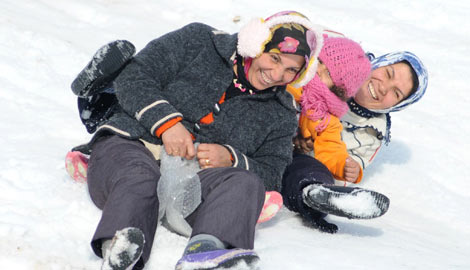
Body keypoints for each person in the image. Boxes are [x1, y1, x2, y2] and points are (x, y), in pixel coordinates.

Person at [70, 11, 324, 270]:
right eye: (274, 58)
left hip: (192, 185)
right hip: (134, 143)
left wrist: (231, 158)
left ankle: (207, 254)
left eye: (292, 70)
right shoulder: (199, 41)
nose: (278, 73)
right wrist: (167, 123)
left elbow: (272, 172)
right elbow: (134, 76)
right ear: (255, 43)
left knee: (246, 183)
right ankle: (121, 252)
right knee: (139, 177)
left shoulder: (281, 111)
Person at [281, 51, 428, 233]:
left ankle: (316, 194)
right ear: (379, 63)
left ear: (397, 106)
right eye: (388, 73)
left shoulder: (372, 132)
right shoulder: (339, 66)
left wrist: (349, 168)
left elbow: (352, 162)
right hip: (273, 122)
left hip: (296, 162)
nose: (384, 88)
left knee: (307, 171)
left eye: (396, 93)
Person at [287, 36, 371, 184]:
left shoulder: (325, 118)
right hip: (250, 132)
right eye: (320, 61)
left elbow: (331, 148)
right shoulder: (290, 77)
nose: (319, 70)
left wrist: (343, 165)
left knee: (309, 168)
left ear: (337, 89)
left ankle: (313, 191)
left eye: (329, 74)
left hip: (282, 157)